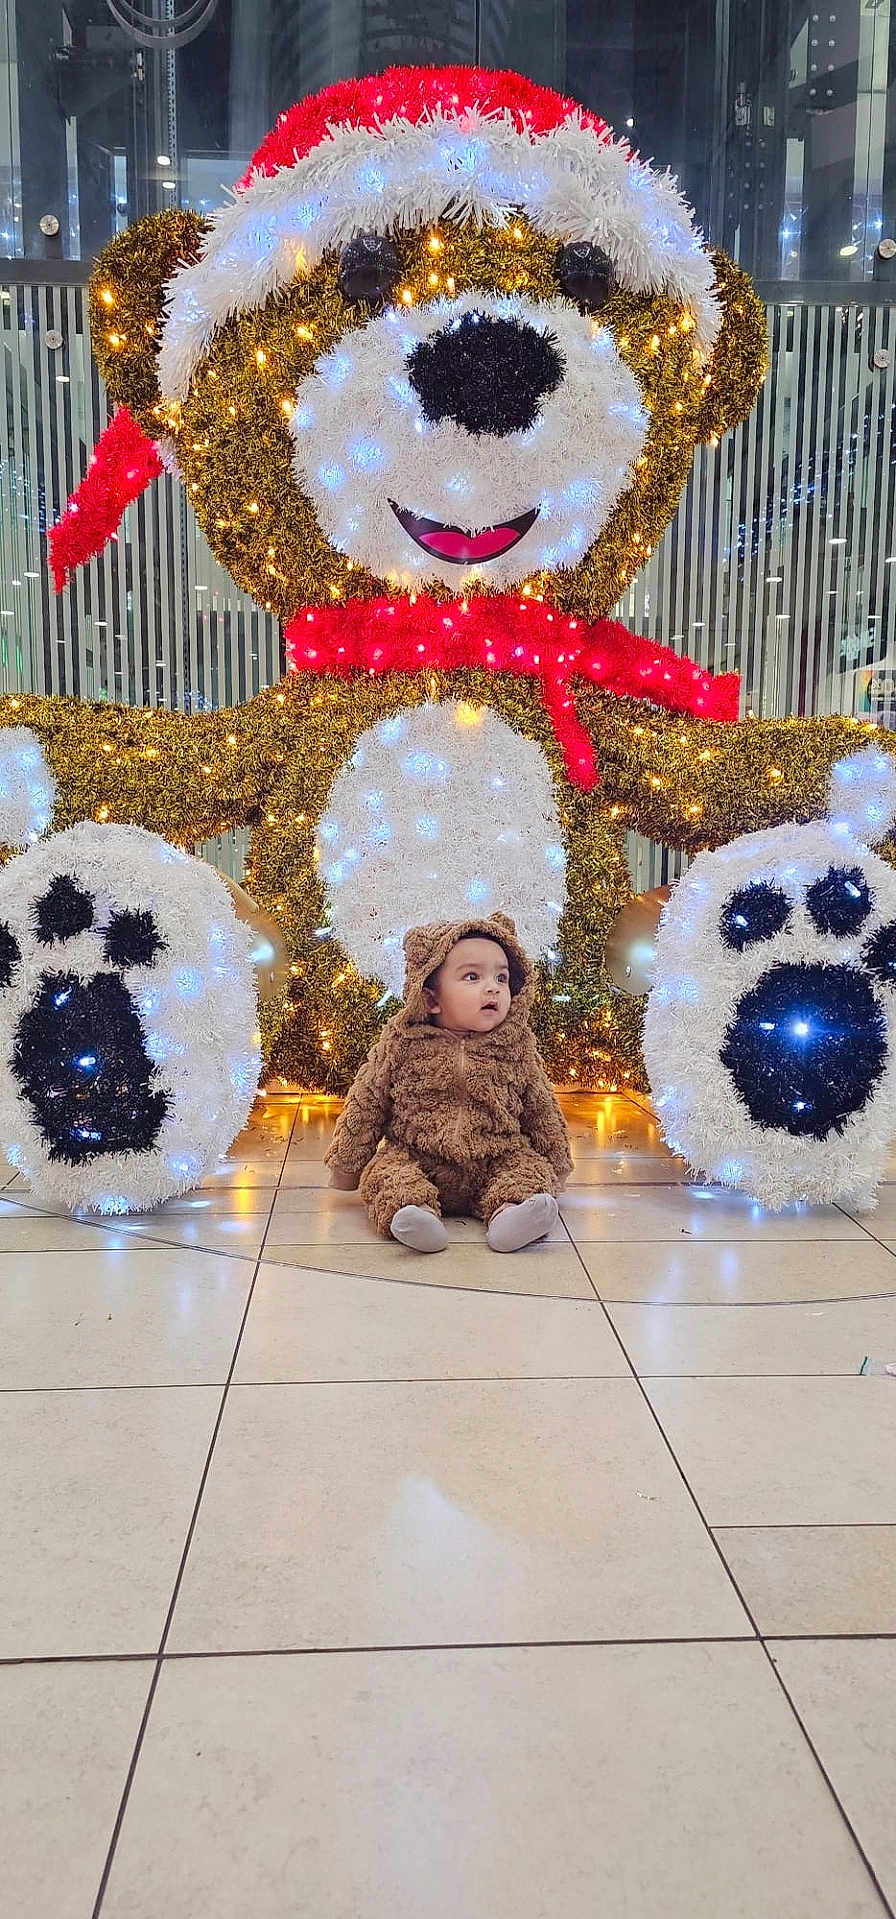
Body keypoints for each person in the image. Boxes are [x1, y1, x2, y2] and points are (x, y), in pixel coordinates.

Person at [326, 912, 573, 1253]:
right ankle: (414, 1214)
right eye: (472, 976)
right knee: (386, 1172)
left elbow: (541, 1107)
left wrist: (556, 1164)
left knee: (526, 1169)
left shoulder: (516, 1044)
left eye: (501, 978)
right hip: (418, 1156)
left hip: (496, 1156)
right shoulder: (402, 1043)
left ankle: (512, 1214)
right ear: (430, 998)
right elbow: (367, 1100)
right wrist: (346, 1165)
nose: (493, 987)